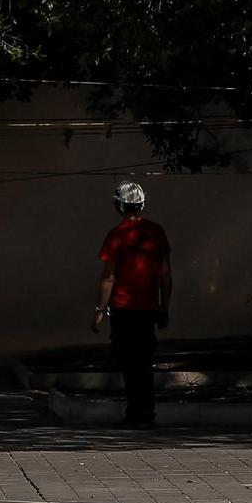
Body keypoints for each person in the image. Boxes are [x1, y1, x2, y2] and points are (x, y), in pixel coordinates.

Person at [91, 181, 172, 427]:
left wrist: (99, 310)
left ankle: (134, 413)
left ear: (119, 205)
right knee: (144, 363)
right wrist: (164, 306)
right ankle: (146, 412)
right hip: (148, 309)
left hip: (123, 309)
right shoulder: (157, 232)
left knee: (128, 363)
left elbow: (109, 276)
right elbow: (166, 275)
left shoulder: (116, 236)